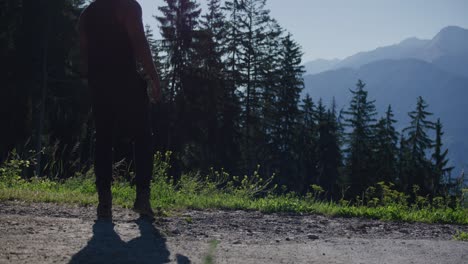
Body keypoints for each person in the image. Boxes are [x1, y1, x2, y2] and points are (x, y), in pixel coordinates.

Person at [79, 0, 161, 219]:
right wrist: (153, 77)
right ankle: (142, 198)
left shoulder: (87, 14)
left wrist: (93, 80)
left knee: (103, 138)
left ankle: (104, 202)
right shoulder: (128, 7)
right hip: (126, 81)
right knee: (142, 135)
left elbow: (84, 56)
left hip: (99, 84)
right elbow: (139, 42)